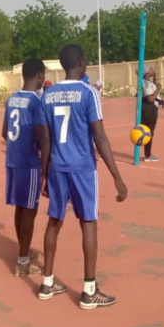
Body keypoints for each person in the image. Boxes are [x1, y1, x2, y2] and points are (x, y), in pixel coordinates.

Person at [35, 44, 128, 310]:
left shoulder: (48, 95)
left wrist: (44, 174)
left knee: (54, 221)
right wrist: (117, 177)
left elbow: (45, 139)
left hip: (57, 168)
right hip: (82, 169)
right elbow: (100, 136)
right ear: (82, 63)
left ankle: (47, 282)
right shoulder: (89, 93)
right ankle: (89, 290)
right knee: (88, 223)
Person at [1, 57, 46, 276]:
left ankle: (24, 251)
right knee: (29, 210)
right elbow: (41, 137)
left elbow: (4, 132)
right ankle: (23, 262)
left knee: (20, 208)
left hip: (12, 161)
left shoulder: (12, 99)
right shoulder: (36, 102)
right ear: (39, 75)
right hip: (29, 163)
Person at [141, 70, 162, 162]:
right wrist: (158, 89)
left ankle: (148, 154)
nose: (152, 69)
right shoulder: (145, 82)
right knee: (148, 132)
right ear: (145, 72)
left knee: (149, 132)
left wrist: (155, 76)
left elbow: (154, 85)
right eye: (150, 69)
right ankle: (148, 155)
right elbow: (150, 99)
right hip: (149, 108)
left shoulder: (148, 82)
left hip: (151, 108)